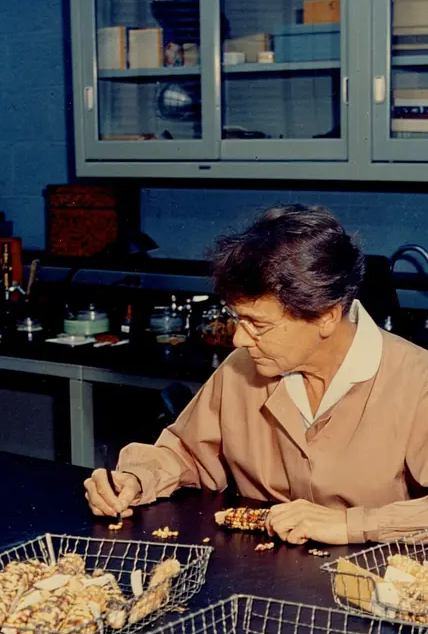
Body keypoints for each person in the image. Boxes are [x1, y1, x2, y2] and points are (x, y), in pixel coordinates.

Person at [84, 204, 428, 545]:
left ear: (325, 316)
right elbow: (186, 453)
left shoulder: (415, 380)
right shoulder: (243, 368)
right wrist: (135, 479)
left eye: (258, 324)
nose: (238, 338)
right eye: (239, 318)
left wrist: (352, 525)